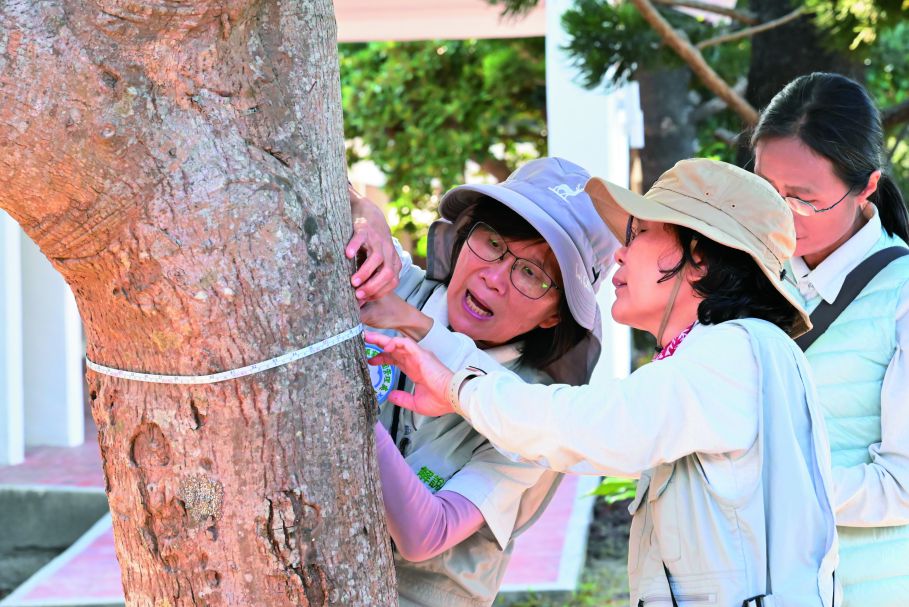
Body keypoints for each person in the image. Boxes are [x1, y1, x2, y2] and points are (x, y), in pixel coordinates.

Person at [367, 158, 840, 606]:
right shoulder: (720, 357)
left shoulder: (736, 351)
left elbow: (586, 424)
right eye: (492, 243)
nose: (621, 254)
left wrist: (452, 385)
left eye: (641, 233)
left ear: (698, 258)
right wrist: (361, 207)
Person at [353, 157, 618, 606]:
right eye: (493, 242)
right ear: (463, 238)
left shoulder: (534, 412)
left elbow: (426, 533)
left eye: (532, 273)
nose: (495, 278)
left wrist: (344, 406)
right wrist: (364, 211)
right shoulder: (391, 282)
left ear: (556, 314)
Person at [751, 72, 909, 606]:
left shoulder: (903, 297)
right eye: (765, 190)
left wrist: (765, 482)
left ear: (866, 185)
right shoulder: (754, 271)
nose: (777, 214)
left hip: (869, 588)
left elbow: (902, 486)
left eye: (802, 198)